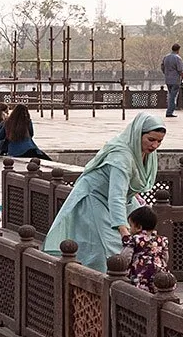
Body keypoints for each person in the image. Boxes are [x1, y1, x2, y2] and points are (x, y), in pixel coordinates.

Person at [42, 114, 167, 274]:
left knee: (140, 238)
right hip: (95, 195)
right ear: (137, 133)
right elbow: (116, 196)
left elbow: (128, 185)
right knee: (107, 244)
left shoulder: (147, 153)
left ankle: (137, 278)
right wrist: (123, 231)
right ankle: (97, 283)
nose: (155, 145)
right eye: (151, 140)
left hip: (122, 198)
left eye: (159, 141)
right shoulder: (121, 157)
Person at [121, 208, 170, 288]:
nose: (129, 229)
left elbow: (126, 256)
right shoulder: (162, 240)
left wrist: (123, 267)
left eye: (131, 226)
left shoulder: (134, 239)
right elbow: (165, 257)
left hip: (139, 274)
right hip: (159, 274)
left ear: (139, 227)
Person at [159, 44, 183, 116]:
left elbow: (162, 66)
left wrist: (166, 73)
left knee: (170, 95)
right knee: (173, 96)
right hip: (175, 80)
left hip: (168, 79)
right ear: (178, 50)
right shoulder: (177, 58)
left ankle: (170, 110)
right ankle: (169, 111)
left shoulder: (166, 57)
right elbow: (180, 70)